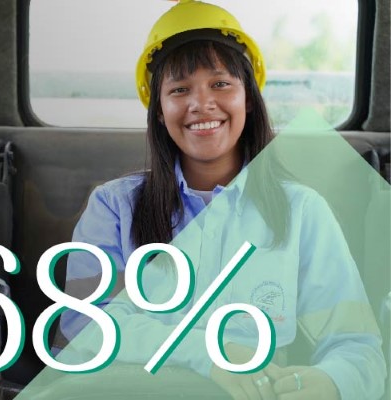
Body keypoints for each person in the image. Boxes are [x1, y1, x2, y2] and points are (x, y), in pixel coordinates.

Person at [58, 1, 386, 399]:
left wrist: (333, 382)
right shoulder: (113, 208)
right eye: (179, 89)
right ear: (159, 111)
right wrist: (210, 354)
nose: (201, 104)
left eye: (220, 84)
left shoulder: (302, 211)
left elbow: (355, 346)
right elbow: (85, 325)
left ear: (248, 97)